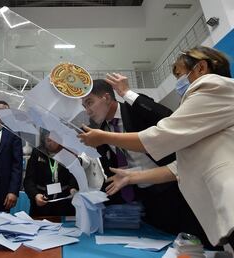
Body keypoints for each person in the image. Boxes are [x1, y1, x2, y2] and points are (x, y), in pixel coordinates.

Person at [79, 46, 234, 250]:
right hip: (159, 195)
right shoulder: (207, 115)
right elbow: (182, 165)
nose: (87, 111)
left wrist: (125, 96)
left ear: (201, 67)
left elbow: (161, 134)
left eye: (179, 75)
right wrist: (131, 177)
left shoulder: (212, 86)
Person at [24, 134, 78, 216]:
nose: (49, 143)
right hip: (42, 201)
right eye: (47, 140)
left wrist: (73, 188)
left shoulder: (69, 153)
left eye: (52, 140)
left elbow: (74, 175)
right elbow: (29, 180)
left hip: (64, 203)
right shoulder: (38, 152)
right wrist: (35, 195)